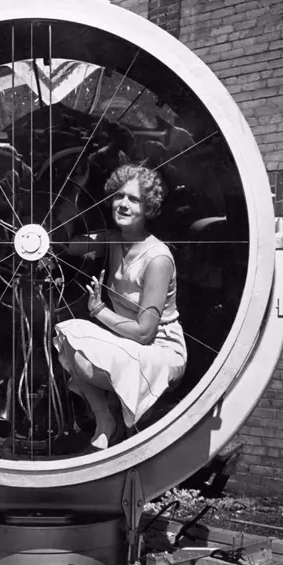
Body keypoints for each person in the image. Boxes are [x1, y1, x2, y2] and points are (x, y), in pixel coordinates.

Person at [54, 163, 187, 450]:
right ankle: (107, 420)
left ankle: (123, 416)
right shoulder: (113, 240)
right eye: (119, 196)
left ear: (149, 207)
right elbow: (61, 242)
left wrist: (100, 311)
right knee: (67, 335)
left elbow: (144, 333)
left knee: (84, 357)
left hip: (160, 351)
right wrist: (75, 187)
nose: (123, 205)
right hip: (125, 342)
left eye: (134, 199)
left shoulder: (157, 258)